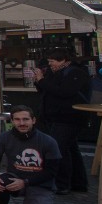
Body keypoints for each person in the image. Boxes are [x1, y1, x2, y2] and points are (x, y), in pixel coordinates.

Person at [0, 106, 61, 204]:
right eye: (17, 119)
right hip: (15, 178)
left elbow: (52, 172)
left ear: (33, 120)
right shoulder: (4, 137)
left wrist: (25, 182)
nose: (22, 123)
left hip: (40, 185)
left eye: (25, 119)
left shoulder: (48, 141)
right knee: (0, 181)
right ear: (12, 121)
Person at [32, 48, 90, 194]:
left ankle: (62, 184)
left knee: (59, 149)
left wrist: (42, 81)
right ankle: (78, 183)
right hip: (54, 116)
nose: (50, 64)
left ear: (64, 60)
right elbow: (46, 91)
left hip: (69, 116)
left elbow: (64, 92)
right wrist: (39, 82)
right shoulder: (53, 72)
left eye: (53, 61)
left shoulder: (76, 73)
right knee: (70, 149)